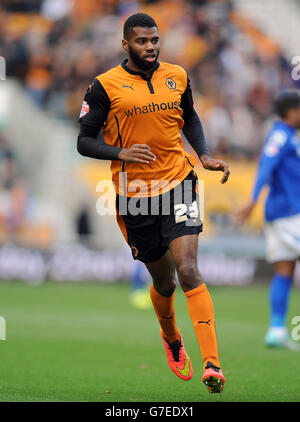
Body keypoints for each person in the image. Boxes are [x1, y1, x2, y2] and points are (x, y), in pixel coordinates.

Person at [77, 13, 230, 393]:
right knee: (165, 281)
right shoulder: (104, 86)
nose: (150, 47)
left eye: (155, 40)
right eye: (142, 42)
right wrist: (121, 152)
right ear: (125, 44)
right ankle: (172, 338)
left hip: (179, 183)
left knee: (189, 269)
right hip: (136, 198)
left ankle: (212, 365)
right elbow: (83, 140)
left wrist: (204, 155)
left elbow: (189, 117)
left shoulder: (177, 75)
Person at [237, 91, 300, 351]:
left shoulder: (288, 136)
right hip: (289, 214)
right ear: (290, 112)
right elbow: (266, 166)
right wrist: (252, 199)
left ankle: (276, 330)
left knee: (285, 271)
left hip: (284, 214)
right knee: (285, 270)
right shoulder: (279, 135)